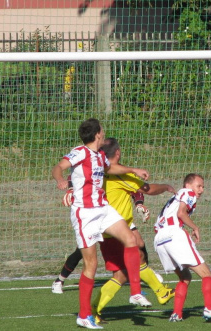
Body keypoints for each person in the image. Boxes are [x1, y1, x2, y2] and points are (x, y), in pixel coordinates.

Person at [51, 118, 151, 330]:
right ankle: (84, 315)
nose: (104, 133)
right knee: (91, 265)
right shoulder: (80, 152)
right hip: (84, 214)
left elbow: (111, 168)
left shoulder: (100, 156)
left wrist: (134, 170)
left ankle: (135, 292)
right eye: (102, 130)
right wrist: (60, 179)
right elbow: (58, 167)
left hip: (103, 208)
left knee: (130, 238)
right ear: (97, 134)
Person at [90, 137, 176, 324]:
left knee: (122, 274)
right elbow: (148, 189)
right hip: (116, 230)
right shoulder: (120, 174)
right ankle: (160, 291)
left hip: (103, 228)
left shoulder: (97, 170)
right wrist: (167, 187)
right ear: (118, 153)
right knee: (135, 260)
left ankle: (94, 311)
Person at [153, 173, 211, 323]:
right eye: (198, 186)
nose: (201, 190)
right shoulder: (188, 192)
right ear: (188, 185)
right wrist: (195, 227)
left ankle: (176, 314)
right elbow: (181, 213)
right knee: (207, 274)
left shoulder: (174, 199)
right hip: (174, 234)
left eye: (203, 187)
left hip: (159, 239)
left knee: (185, 277)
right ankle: (210, 309)